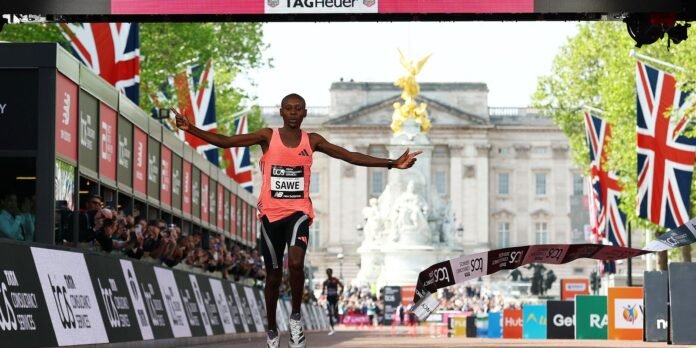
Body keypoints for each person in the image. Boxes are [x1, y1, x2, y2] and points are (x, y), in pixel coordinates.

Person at [174, 93, 421, 348]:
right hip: (270, 215)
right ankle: (271, 328)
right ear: (282, 112)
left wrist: (391, 163)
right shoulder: (267, 136)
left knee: (295, 263)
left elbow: (348, 155)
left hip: (298, 213)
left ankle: (295, 318)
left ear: (305, 113)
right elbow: (226, 142)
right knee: (272, 276)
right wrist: (190, 128)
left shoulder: (311, 140)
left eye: (298, 109)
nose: (293, 112)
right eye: (288, 108)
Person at [322, 268, 343, 335]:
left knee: (335, 311)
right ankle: (332, 328)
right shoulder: (325, 282)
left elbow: (342, 286)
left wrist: (339, 294)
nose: (328, 274)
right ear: (326, 273)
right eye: (327, 273)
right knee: (330, 313)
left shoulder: (335, 280)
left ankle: (335, 319)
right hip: (329, 298)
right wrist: (323, 293)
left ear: (331, 273)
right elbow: (323, 291)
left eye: (329, 272)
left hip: (335, 298)